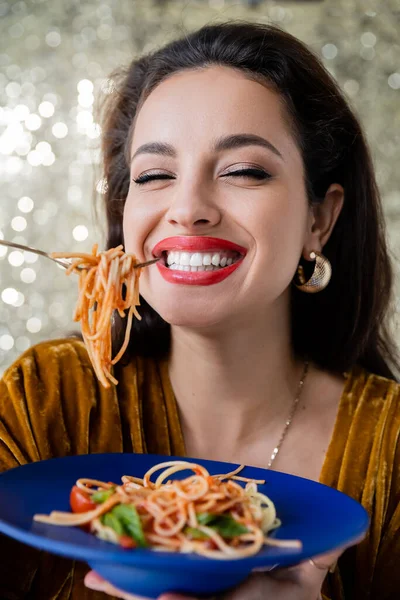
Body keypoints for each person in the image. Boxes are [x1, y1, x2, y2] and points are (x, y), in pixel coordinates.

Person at [0, 21, 399, 600]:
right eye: (154, 176)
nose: (187, 209)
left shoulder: (389, 447)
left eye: (243, 171)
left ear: (320, 219)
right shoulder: (43, 403)